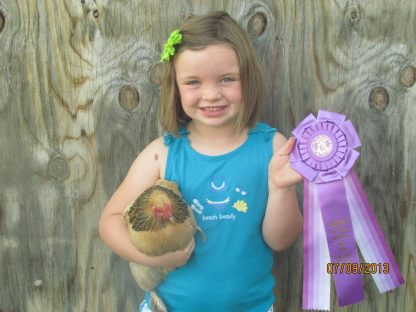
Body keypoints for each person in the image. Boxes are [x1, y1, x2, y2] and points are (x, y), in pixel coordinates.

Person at [99, 11, 303, 312]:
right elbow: (109, 222)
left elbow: (281, 241)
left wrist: (280, 188)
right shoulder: (162, 154)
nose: (211, 94)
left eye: (227, 79)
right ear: (176, 87)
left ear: (248, 78)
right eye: (193, 82)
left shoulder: (271, 147)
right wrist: (154, 259)